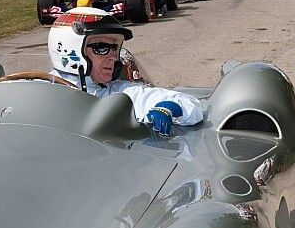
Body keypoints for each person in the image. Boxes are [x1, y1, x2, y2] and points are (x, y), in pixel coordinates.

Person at [48, 8, 202, 135]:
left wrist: (168, 107)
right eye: (101, 47)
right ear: (69, 49)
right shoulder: (38, 90)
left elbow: (191, 105)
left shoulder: (120, 94)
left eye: (115, 48)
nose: (113, 57)